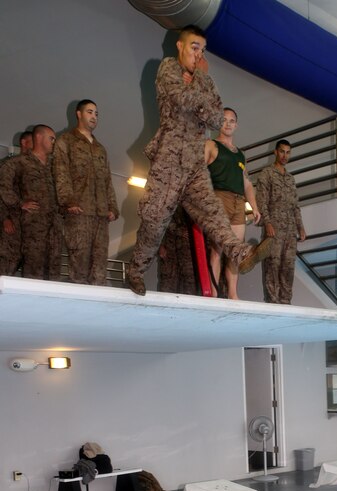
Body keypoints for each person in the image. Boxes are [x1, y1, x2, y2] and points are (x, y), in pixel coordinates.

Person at [126, 25, 270, 297]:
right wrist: (202, 90)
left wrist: (202, 91)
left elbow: (217, 118)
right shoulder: (167, 68)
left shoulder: (205, 80)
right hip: (170, 158)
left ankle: (241, 254)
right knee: (154, 222)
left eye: (202, 50)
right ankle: (135, 270)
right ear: (180, 46)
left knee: (213, 214)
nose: (198, 55)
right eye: (194, 48)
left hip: (194, 162)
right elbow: (181, 98)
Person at [53, 99, 118, 285]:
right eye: (90, 112)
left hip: (100, 217)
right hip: (78, 214)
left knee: (99, 270)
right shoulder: (65, 141)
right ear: (78, 114)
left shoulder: (100, 149)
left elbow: (107, 180)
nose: (94, 117)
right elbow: (61, 173)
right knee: (79, 268)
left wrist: (112, 206)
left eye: (96, 113)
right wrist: (68, 201)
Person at [204, 107, 260, 299]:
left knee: (235, 250)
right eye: (224, 120)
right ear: (218, 122)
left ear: (236, 125)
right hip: (219, 199)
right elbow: (198, 173)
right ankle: (212, 293)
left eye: (231, 120)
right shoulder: (211, 144)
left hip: (238, 202)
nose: (227, 123)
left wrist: (254, 206)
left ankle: (233, 294)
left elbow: (247, 183)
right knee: (217, 249)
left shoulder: (240, 154)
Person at [0, 125, 62, 280]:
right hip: (32, 228)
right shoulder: (18, 162)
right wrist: (18, 203)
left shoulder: (54, 166)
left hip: (54, 227)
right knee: (32, 270)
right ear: (39, 137)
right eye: (51, 138)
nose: (54, 142)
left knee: (53, 271)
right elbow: (3, 185)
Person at [255, 139, 306, 305]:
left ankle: (286, 302)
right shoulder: (266, 174)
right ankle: (273, 302)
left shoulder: (290, 179)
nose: (285, 155)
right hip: (274, 230)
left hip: (290, 232)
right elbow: (261, 201)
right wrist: (267, 223)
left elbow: (295, 206)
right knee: (272, 265)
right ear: (275, 152)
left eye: (288, 152)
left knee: (288, 267)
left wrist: (301, 227)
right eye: (282, 151)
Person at [0, 131, 33, 276]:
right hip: (9, 223)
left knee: (16, 262)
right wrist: (4, 218)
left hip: (24, 228)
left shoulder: (34, 170)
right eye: (34, 142)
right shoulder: (10, 165)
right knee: (6, 260)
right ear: (24, 143)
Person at [157, 206, 197, 294]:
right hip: (170, 247)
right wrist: (160, 245)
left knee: (189, 283)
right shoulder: (168, 200)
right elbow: (160, 222)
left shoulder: (193, 200)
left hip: (188, 250)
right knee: (168, 282)